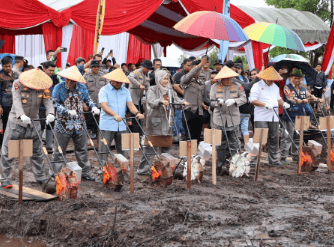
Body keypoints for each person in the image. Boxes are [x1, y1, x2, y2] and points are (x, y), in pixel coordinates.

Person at [0, 69, 55, 188]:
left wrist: (50, 113)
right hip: (16, 123)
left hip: (34, 123)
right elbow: (16, 100)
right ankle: (5, 179)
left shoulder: (43, 86)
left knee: (37, 152)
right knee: (10, 152)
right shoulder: (17, 83)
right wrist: (22, 115)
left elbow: (48, 101)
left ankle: (42, 179)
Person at [52, 66, 99, 181]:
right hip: (63, 123)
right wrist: (66, 111)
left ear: (76, 80)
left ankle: (85, 172)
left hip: (79, 122)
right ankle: (56, 174)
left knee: (82, 148)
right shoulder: (58, 87)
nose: (69, 82)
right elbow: (54, 103)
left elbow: (88, 99)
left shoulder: (82, 87)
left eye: (72, 80)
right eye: (67, 79)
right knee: (59, 149)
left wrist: (93, 107)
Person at [137, 69, 189, 174]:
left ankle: (167, 169)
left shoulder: (171, 91)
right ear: (158, 79)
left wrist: (183, 103)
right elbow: (151, 102)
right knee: (150, 149)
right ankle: (143, 169)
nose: (166, 81)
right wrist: (160, 101)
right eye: (164, 79)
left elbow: (177, 103)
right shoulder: (152, 89)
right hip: (154, 124)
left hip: (167, 124)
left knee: (167, 149)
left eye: (167, 79)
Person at [99, 68, 144, 164]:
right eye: (116, 81)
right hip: (107, 124)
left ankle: (123, 169)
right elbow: (104, 105)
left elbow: (130, 104)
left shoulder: (125, 91)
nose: (119, 83)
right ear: (111, 79)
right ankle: (102, 170)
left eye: (120, 82)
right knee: (104, 149)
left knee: (123, 149)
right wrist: (114, 114)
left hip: (122, 125)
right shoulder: (104, 90)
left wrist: (137, 113)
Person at [249, 66, 290, 165]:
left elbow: (278, 98)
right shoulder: (257, 85)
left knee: (274, 137)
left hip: (273, 115)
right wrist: (264, 104)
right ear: (265, 77)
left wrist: (283, 103)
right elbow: (252, 100)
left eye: (273, 79)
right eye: (270, 79)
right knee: (260, 137)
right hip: (261, 115)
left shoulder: (275, 87)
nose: (272, 80)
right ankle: (254, 159)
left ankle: (274, 160)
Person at [281, 69, 322, 164]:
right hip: (290, 115)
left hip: (300, 115)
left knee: (298, 137)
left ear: (301, 79)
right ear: (291, 78)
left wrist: (317, 99)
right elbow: (291, 98)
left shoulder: (303, 89)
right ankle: (283, 158)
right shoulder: (287, 87)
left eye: (299, 78)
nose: (297, 80)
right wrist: (301, 101)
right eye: (295, 78)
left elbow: (309, 95)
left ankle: (296, 156)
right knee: (288, 137)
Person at [210, 66, 247, 172]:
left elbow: (244, 98)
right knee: (220, 143)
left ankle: (235, 164)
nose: (229, 80)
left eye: (230, 78)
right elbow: (211, 101)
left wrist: (235, 101)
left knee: (234, 143)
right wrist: (218, 103)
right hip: (219, 119)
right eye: (226, 78)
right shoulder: (214, 87)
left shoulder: (237, 86)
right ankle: (220, 164)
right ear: (221, 78)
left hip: (233, 119)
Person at [181, 57, 208, 141]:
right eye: (196, 69)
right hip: (189, 111)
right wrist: (200, 65)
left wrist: (203, 104)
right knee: (188, 137)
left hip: (199, 112)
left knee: (197, 137)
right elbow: (189, 76)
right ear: (191, 68)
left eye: (199, 69)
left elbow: (202, 96)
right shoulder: (185, 79)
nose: (198, 71)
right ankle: (188, 154)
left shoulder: (201, 81)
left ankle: (195, 153)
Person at [83, 60, 108, 139]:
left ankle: (97, 133)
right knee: (89, 118)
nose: (96, 68)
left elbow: (107, 88)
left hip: (100, 101)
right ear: (91, 67)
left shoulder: (103, 76)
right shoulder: (86, 76)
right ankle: (90, 133)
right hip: (90, 101)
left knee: (99, 118)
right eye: (94, 67)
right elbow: (83, 91)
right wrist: (84, 104)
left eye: (98, 67)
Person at [128, 59, 152, 135]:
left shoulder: (147, 74)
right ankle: (135, 133)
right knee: (135, 116)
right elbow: (129, 77)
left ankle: (140, 133)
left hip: (140, 98)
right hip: (133, 97)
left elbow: (148, 85)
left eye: (148, 69)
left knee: (141, 115)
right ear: (143, 67)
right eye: (146, 68)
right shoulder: (137, 72)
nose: (147, 70)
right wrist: (139, 84)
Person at [0, 56, 20, 148]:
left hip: (16, 103)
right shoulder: (0, 75)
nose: (7, 68)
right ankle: (5, 146)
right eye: (5, 66)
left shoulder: (16, 74)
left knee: (16, 124)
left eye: (9, 66)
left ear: (12, 64)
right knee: (6, 124)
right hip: (5, 103)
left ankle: (14, 145)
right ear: (2, 66)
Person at [172, 58, 192, 140]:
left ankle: (184, 134)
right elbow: (176, 87)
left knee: (187, 117)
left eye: (191, 65)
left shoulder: (191, 74)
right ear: (183, 65)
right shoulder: (178, 75)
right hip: (179, 98)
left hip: (189, 99)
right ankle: (176, 134)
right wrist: (186, 94)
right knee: (179, 118)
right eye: (188, 65)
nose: (189, 67)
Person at [41, 61, 59, 150]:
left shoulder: (55, 78)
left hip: (52, 104)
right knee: (40, 124)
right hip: (40, 104)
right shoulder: (38, 78)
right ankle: (39, 145)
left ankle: (49, 144)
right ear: (44, 69)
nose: (51, 72)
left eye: (53, 70)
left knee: (51, 123)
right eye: (49, 70)